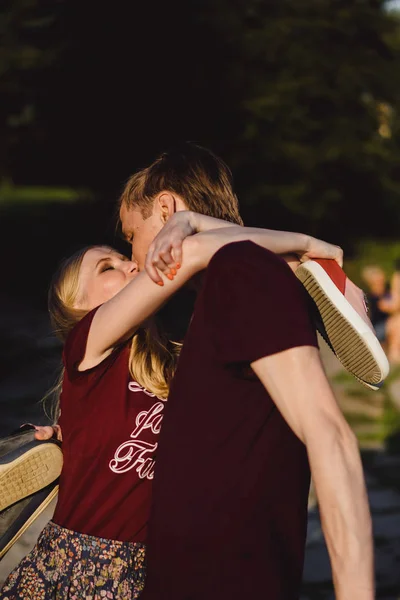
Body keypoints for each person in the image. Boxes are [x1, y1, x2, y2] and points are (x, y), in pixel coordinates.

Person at [0, 216, 343, 598]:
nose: (130, 262)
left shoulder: (178, 364)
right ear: (78, 307)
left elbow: (235, 267)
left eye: (121, 257)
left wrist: (289, 267)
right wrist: (310, 245)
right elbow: (196, 253)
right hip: (77, 569)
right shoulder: (87, 348)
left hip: (159, 572)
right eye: (106, 267)